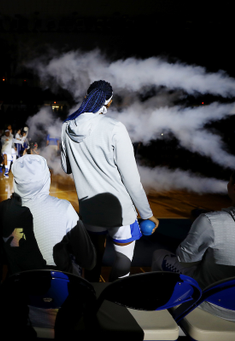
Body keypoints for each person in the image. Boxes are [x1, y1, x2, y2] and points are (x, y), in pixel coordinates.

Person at [152, 164, 235, 323]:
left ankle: (158, 312)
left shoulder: (212, 221)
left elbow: (185, 261)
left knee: (158, 255)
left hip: (214, 304)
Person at [61, 80, 159, 282]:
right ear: (110, 101)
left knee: (92, 263)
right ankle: (113, 302)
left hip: (89, 210)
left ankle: (91, 300)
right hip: (120, 210)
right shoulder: (115, 127)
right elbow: (131, 179)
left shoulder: (67, 126)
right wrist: (148, 214)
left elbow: (67, 168)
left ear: (86, 97)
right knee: (122, 263)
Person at [0, 155, 96, 276]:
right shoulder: (64, 208)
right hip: (58, 288)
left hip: (18, 286)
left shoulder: (3, 209)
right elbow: (88, 260)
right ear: (46, 178)